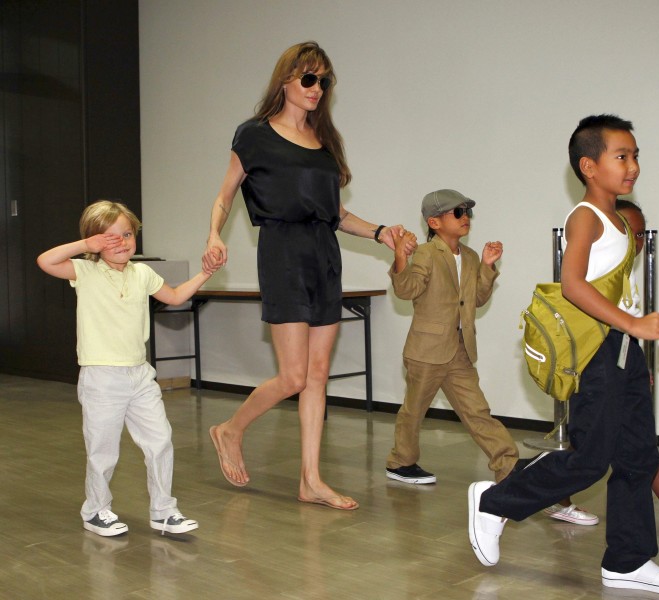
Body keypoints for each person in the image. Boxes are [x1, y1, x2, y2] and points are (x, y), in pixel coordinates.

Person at [468, 115, 659, 595]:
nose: (632, 165)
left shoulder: (617, 219)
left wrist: (635, 349)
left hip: (622, 352)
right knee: (592, 459)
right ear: (589, 166)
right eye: (622, 156)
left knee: (637, 455)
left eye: (635, 155)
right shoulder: (586, 217)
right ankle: (494, 501)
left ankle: (628, 561)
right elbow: (572, 286)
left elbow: (617, 292)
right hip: (598, 352)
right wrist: (633, 324)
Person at [203, 41, 412, 511]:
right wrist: (215, 234)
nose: (318, 88)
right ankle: (231, 429)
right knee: (294, 375)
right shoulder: (254, 135)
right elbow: (225, 196)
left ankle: (311, 480)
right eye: (309, 79)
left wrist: (380, 232)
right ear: (286, 81)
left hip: (324, 253)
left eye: (325, 81)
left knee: (317, 375)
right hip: (282, 252)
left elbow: (335, 213)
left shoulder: (325, 143)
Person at [549, 199, 659, 539]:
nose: (637, 241)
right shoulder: (593, 260)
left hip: (620, 360)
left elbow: (626, 326)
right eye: (631, 232)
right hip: (596, 360)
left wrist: (634, 368)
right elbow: (579, 300)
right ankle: (499, 500)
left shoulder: (624, 274)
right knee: (600, 448)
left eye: (642, 234)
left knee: (629, 443)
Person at [36, 200, 214, 537]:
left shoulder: (142, 273)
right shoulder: (84, 271)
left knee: (160, 441)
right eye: (110, 237)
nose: (122, 242)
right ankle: (96, 510)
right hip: (102, 377)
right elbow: (46, 261)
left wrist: (206, 272)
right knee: (103, 451)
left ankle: (163, 511)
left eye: (127, 234)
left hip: (140, 375)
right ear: (94, 241)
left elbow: (175, 296)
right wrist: (85, 247)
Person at [385, 189, 519, 485]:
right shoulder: (424, 253)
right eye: (457, 213)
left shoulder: (470, 257)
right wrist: (399, 256)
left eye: (467, 212)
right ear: (434, 222)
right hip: (426, 349)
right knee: (414, 410)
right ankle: (401, 462)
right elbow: (407, 291)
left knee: (478, 410)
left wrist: (487, 266)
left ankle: (507, 463)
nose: (465, 217)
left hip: (459, 349)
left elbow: (477, 300)